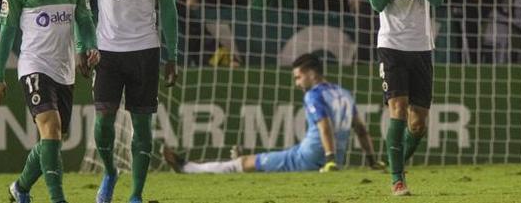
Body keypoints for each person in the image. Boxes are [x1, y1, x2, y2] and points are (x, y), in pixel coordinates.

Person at [0, 0, 99, 203]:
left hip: (64, 70)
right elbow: (7, 34)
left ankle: (20, 188)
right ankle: (58, 199)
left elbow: (84, 22)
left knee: (53, 139)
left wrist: (89, 46)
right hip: (34, 67)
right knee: (50, 127)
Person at [82, 0, 178, 203]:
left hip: (145, 52)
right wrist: (83, 45)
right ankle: (110, 171)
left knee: (143, 126)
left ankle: (136, 195)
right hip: (107, 51)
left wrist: (171, 54)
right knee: (103, 121)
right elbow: (80, 5)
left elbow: (170, 10)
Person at [162, 53, 383, 174]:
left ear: (310, 73)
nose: (297, 83)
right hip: (332, 158)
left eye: (298, 77)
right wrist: (372, 161)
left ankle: (187, 168)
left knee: (246, 163)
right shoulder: (344, 93)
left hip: (308, 158)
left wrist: (330, 160)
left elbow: (324, 126)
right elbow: (361, 129)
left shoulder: (313, 95)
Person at [365, 0, 445, 196]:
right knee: (397, 108)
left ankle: (393, 159)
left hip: (421, 47)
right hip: (391, 46)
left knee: (418, 124)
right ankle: (397, 179)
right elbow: (376, 2)